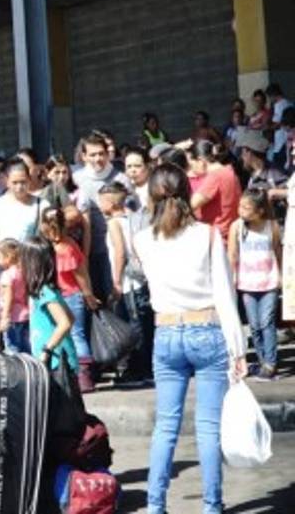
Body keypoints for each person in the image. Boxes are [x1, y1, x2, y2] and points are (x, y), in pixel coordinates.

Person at [133, 164, 246, 514]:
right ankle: (211, 506)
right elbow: (225, 295)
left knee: (165, 427)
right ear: (187, 191)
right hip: (207, 329)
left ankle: (155, 505)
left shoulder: (142, 240)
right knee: (208, 429)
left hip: (166, 331)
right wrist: (238, 349)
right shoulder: (207, 235)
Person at [42, 205, 100, 392]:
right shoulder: (64, 245)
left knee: (72, 334)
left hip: (64, 296)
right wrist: (87, 293)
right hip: (66, 295)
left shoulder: (60, 248)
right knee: (73, 334)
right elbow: (82, 273)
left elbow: (80, 274)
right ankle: (78, 375)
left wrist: (88, 294)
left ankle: (82, 376)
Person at [102, 181, 154, 386]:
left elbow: (119, 252)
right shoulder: (131, 220)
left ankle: (139, 368)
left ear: (112, 202)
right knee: (142, 324)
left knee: (134, 326)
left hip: (128, 281)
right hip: (138, 281)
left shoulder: (114, 223)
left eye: (102, 200)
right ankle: (144, 366)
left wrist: (115, 282)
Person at [229, 190, 283, 380]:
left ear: (260, 211)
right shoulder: (237, 227)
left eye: (246, 207)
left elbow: (278, 251)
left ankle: (271, 362)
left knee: (266, 322)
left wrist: (283, 275)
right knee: (254, 325)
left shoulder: (271, 226)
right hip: (247, 283)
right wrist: (231, 279)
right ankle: (261, 360)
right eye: (240, 206)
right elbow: (232, 255)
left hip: (269, 281)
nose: (241, 210)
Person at [72, 133, 132, 300]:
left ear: (108, 154)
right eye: (92, 154)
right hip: (90, 249)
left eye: (101, 153)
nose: (98, 158)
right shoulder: (77, 179)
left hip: (116, 250)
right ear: (84, 156)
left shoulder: (121, 179)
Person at [0, 158, 48, 288]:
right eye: (14, 182)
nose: (19, 187)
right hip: (3, 269)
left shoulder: (41, 204)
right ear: (6, 181)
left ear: (29, 179)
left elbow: (45, 238)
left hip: (30, 268)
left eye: (23, 182)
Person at [20, 238, 78, 374]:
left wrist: (47, 349)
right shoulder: (47, 290)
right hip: (54, 360)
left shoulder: (44, 292)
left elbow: (65, 322)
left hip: (56, 362)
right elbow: (70, 317)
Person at [188, 140, 240, 244]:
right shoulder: (229, 171)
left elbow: (190, 205)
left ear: (201, 160)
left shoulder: (215, 176)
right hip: (229, 234)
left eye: (191, 164)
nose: (191, 169)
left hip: (217, 237)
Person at [0, 238, 30, 354]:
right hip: (25, 314)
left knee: (12, 348)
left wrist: (5, 317)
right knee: (26, 347)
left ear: (8, 257)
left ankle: (15, 371)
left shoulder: (7, 275)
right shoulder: (24, 271)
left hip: (13, 317)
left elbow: (8, 298)